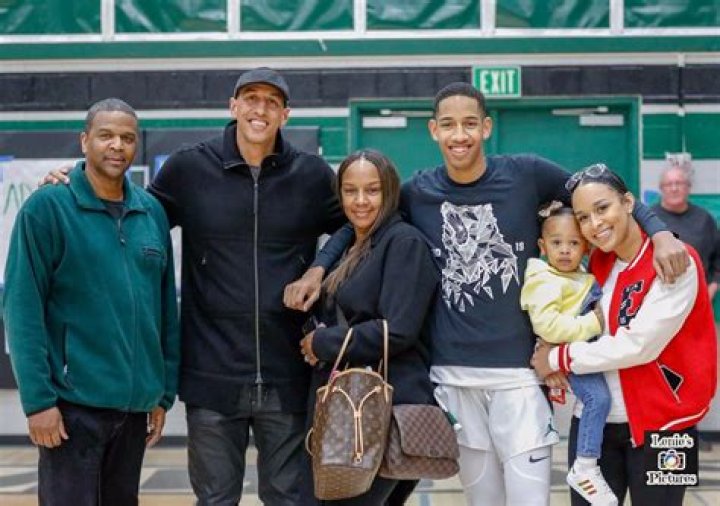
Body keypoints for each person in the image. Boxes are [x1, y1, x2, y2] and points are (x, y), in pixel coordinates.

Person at [286, 82, 689, 506]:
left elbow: (602, 190)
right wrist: (318, 268)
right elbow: (359, 223)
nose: (459, 135)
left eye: (469, 124)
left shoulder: (527, 174)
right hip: (451, 379)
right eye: (448, 125)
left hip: (519, 377)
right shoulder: (419, 192)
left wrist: (659, 231)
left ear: (486, 127)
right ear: (434, 131)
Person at [42, 68, 345, 505]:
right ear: (233, 106)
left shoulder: (311, 175)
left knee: (289, 499)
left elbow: (352, 227)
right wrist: (74, 179)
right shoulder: (189, 168)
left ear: (286, 114)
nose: (260, 109)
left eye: (272, 102)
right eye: (251, 98)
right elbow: (130, 210)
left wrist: (318, 268)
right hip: (210, 377)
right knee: (215, 500)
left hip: (289, 375)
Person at [3, 98, 180, 506]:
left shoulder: (151, 212)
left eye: (127, 138)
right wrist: (38, 402)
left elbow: (164, 311)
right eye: (106, 136)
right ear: (85, 141)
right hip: (70, 408)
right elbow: (22, 309)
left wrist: (161, 394)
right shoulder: (47, 208)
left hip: (134, 409)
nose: (117, 145)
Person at [531, 163, 717, 505]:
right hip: (594, 426)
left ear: (629, 203)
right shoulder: (597, 261)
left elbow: (639, 345)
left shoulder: (677, 259)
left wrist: (557, 358)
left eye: (602, 208)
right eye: (584, 217)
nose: (595, 224)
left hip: (667, 425)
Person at [301, 149, 438, 504]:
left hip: (383, 412)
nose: (360, 201)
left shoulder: (404, 243)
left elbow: (398, 330)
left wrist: (323, 342)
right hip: (349, 411)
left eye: (372, 190)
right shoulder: (351, 243)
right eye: (350, 191)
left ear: (389, 191)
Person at [520, 202, 616, 505]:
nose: (564, 250)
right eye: (557, 243)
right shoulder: (544, 279)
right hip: (566, 353)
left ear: (586, 248)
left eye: (573, 244)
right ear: (542, 246)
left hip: (576, 351)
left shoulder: (578, 275)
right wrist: (594, 323)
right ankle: (585, 466)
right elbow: (547, 327)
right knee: (598, 399)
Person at [651, 165, 720, 300]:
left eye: (679, 183)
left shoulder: (704, 219)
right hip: (658, 298)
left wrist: (710, 290)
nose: (674, 188)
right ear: (661, 188)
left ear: (689, 187)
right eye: (669, 184)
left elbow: (718, 258)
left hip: (698, 298)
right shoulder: (650, 220)